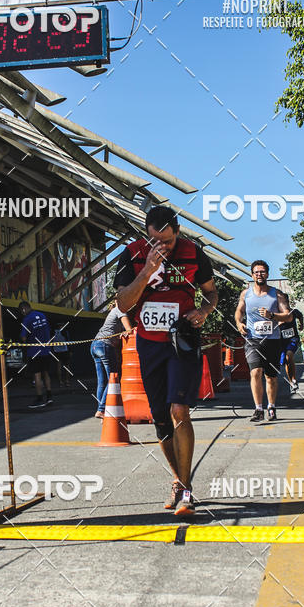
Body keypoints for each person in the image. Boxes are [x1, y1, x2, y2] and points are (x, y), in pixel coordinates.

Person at [115, 206, 218, 516]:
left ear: (178, 231)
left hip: (182, 341)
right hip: (149, 345)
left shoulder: (193, 253)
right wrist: (147, 270)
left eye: (168, 241)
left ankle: (186, 490)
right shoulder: (132, 255)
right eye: (155, 240)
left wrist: (203, 311)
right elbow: (122, 303)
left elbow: (212, 294)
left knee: (179, 409)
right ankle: (177, 479)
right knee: (160, 417)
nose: (162, 247)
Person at [234, 260, 292, 422]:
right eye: (256, 272)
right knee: (255, 372)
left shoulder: (277, 294)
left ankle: (271, 407)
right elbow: (239, 311)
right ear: (252, 275)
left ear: (267, 274)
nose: (259, 274)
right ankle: (258, 409)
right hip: (253, 339)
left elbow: (288, 315)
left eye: (262, 272)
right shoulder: (246, 294)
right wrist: (239, 323)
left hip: (272, 340)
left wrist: (272, 316)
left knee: (270, 377)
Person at [91, 302, 134, 418]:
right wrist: (128, 330)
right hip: (105, 345)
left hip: (95, 345)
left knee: (102, 381)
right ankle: (101, 410)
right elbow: (130, 330)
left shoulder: (113, 312)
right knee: (114, 378)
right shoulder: (121, 308)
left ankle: (100, 410)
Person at [18, 301, 53, 409]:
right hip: (46, 350)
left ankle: (39, 398)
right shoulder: (42, 315)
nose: (22, 313)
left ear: (23, 309)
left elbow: (23, 337)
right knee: (46, 373)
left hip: (34, 351)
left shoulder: (27, 319)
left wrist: (24, 342)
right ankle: (49, 397)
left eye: (21, 311)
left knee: (37, 376)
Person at [280, 303, 303, 393]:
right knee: (286, 361)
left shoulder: (293, 312)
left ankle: (294, 379)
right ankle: (291, 382)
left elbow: (300, 315)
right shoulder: (275, 314)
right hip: (281, 341)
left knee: (289, 356)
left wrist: (302, 325)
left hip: (293, 339)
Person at [53, 322, 71, 387]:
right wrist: (70, 350)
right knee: (66, 366)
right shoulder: (65, 332)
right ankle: (66, 381)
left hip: (57, 351)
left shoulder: (53, 332)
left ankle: (61, 382)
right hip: (64, 351)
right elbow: (68, 341)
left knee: (59, 366)